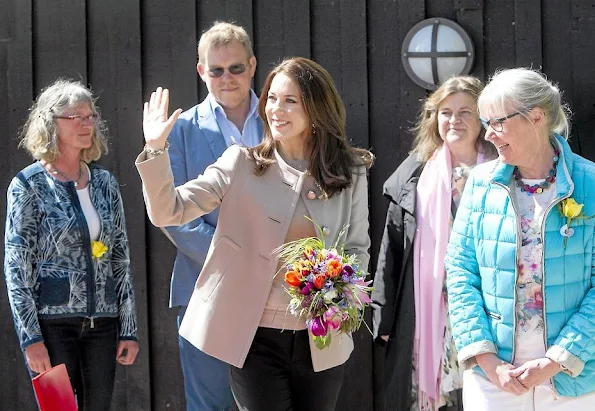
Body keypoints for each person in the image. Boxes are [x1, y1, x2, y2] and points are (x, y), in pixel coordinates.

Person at [136, 57, 374, 410]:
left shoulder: (349, 171)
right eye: (272, 98)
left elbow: (357, 248)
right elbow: (168, 210)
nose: (276, 109)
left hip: (322, 338)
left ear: (317, 108)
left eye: (290, 100)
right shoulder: (241, 163)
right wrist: (155, 150)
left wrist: (341, 297)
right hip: (254, 338)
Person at [445, 68, 595, 410]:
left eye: (497, 123)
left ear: (537, 117)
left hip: (574, 376)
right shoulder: (480, 184)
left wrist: (558, 359)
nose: (489, 135)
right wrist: (486, 360)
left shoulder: (590, 182)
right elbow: (459, 272)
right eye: (486, 124)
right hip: (495, 378)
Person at [4, 79, 138, 410]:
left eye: (90, 116)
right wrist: (31, 338)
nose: (86, 123)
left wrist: (129, 329)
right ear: (51, 123)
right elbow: (16, 266)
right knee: (57, 408)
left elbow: (118, 257)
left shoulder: (104, 183)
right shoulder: (28, 185)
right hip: (51, 327)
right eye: (75, 116)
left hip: (102, 327)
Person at [371, 76, 496, 411]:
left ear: (483, 118)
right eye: (445, 112)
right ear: (434, 118)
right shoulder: (413, 177)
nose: (454, 120)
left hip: (489, 312)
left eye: (465, 112)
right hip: (427, 316)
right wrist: (384, 320)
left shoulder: (504, 172)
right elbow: (391, 252)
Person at [162, 21, 263, 411]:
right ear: (202, 71)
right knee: (211, 405)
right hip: (207, 287)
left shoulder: (280, 120)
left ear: (252, 66)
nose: (227, 78)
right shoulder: (181, 129)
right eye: (216, 70)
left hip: (278, 290)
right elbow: (174, 216)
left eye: (236, 68)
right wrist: (236, 261)